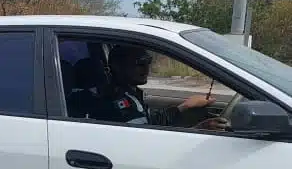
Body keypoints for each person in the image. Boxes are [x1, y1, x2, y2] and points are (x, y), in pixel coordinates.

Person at [82, 44, 229, 131]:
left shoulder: (130, 93)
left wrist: (184, 106)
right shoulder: (116, 101)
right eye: (139, 63)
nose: (146, 68)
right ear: (117, 66)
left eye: (148, 61)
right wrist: (199, 130)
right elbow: (146, 139)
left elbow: (150, 120)